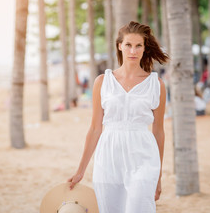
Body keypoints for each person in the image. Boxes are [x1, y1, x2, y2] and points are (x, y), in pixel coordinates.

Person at [67, 21, 169, 213]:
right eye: (129, 45)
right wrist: (81, 170)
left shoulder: (157, 85)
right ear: (120, 46)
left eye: (139, 45)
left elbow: (158, 132)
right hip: (109, 156)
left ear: (145, 48)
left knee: (139, 207)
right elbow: (96, 128)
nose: (133, 50)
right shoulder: (103, 81)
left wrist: (159, 176)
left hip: (143, 156)